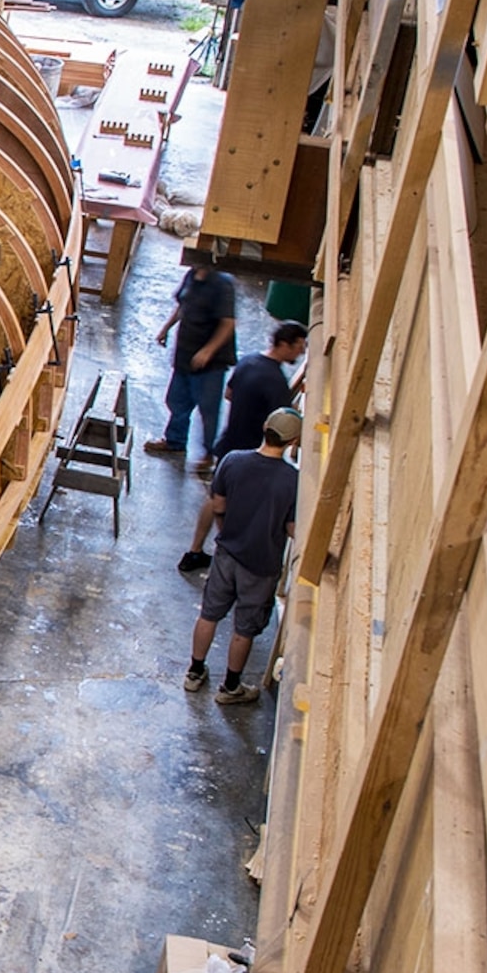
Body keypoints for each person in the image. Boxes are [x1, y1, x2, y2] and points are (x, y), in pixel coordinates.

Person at [183, 406, 302, 705]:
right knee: (244, 628)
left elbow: (218, 504)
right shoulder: (292, 480)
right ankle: (230, 688)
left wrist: (227, 532)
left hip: (226, 552)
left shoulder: (233, 461)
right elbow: (291, 529)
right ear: (293, 441)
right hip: (261, 565)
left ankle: (195, 672)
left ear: (264, 426)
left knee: (209, 613)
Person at [144, 259, 238, 470]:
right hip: (185, 353)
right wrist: (166, 328)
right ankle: (175, 441)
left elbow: (228, 323)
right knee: (177, 400)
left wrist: (208, 351)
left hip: (210, 363)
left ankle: (208, 454)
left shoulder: (222, 284)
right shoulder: (191, 276)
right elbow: (182, 305)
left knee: (207, 408)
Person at [213, 320, 305, 460]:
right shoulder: (275, 381)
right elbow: (283, 424)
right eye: (299, 346)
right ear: (284, 345)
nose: (302, 352)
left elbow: (228, 394)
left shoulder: (247, 362)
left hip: (228, 445)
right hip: (250, 452)